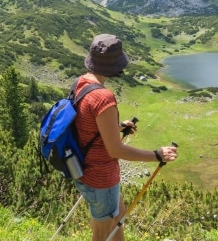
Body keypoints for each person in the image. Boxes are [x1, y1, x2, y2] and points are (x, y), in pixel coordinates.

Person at [73, 33, 178, 241]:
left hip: (84, 169)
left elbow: (86, 123)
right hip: (100, 176)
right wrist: (156, 155)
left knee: (117, 219)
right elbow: (116, 150)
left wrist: (117, 126)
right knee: (102, 234)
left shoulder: (82, 83)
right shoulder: (103, 97)